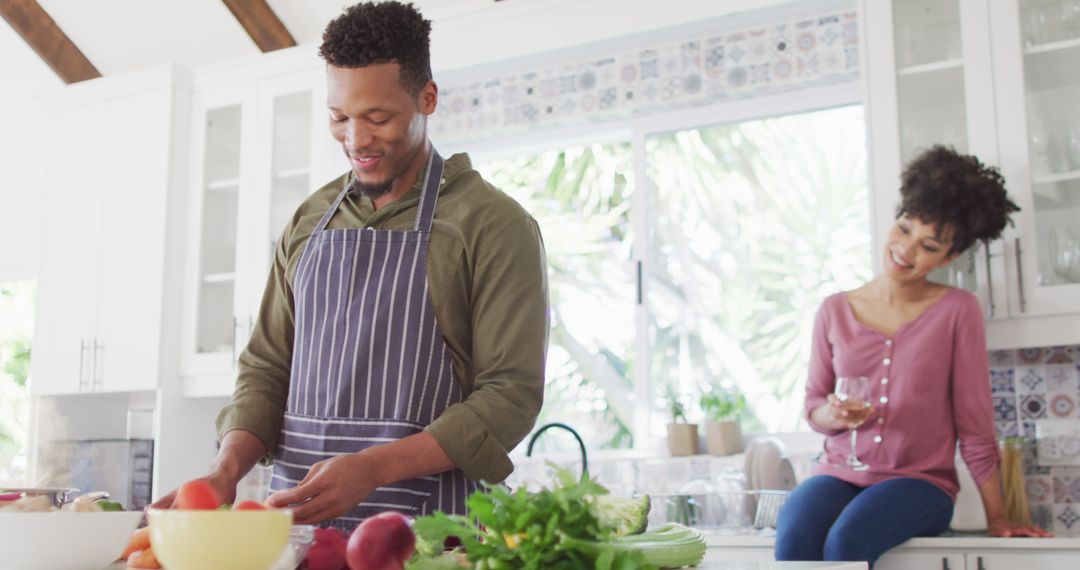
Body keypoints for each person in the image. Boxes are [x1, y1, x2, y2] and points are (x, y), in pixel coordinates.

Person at [153, 1, 549, 530]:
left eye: (378, 117)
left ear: (427, 98)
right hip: (296, 533)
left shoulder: (493, 224)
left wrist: (371, 469)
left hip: (432, 536)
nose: (356, 139)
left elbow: (509, 396)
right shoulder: (309, 220)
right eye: (339, 117)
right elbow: (266, 369)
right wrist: (224, 470)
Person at [775, 145, 1051, 566]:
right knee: (794, 532)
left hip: (920, 484)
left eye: (929, 245)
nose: (905, 250)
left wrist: (1000, 517)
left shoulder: (958, 311)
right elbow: (814, 405)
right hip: (838, 473)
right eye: (904, 229)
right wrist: (834, 416)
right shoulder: (835, 309)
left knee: (846, 541)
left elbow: (975, 427)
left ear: (949, 256)